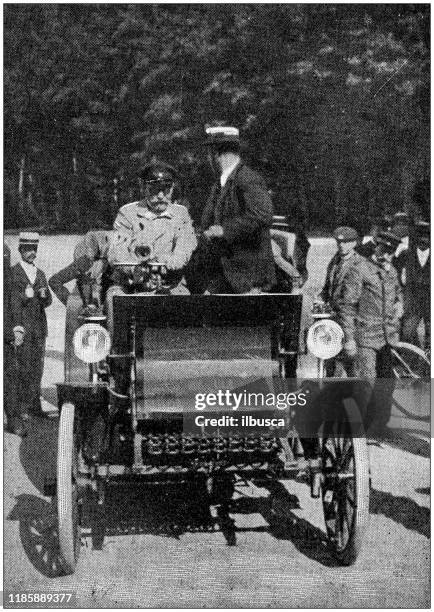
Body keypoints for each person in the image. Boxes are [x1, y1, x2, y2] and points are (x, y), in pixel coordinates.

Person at [186, 126, 275, 294]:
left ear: (217, 154)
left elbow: (263, 216)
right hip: (226, 273)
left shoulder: (247, 179)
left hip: (247, 276)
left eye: (210, 153)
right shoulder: (221, 183)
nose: (209, 159)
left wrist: (224, 230)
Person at [106, 162, 197, 326]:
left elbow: (186, 242)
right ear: (144, 188)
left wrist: (175, 260)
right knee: (115, 300)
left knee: (184, 302)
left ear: (173, 188)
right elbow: (117, 249)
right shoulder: (128, 213)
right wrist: (134, 269)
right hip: (131, 285)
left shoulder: (180, 213)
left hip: (170, 283)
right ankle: (118, 349)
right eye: (155, 190)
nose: (161, 196)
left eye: (166, 190)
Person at [339, 230, 403, 435]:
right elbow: (347, 307)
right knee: (365, 381)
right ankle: (359, 432)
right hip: (365, 335)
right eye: (383, 249)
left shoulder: (391, 271)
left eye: (390, 251)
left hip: (387, 337)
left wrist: (400, 304)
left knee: (386, 383)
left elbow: (398, 294)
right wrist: (349, 338)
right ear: (376, 246)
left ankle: (380, 426)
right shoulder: (359, 270)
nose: (386, 254)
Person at [10, 233, 52, 419]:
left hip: (39, 328)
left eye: (34, 249)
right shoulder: (13, 272)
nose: (31, 253)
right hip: (24, 327)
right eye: (28, 249)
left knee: (38, 367)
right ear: (20, 250)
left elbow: (48, 301)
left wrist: (44, 296)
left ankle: (35, 405)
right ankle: (22, 407)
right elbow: (10, 302)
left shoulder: (40, 273)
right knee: (23, 367)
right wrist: (17, 326)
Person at [320, 226, 363, 376]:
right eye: (338, 242)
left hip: (351, 320)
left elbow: (351, 301)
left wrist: (350, 336)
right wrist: (320, 298)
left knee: (351, 363)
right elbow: (327, 288)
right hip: (335, 319)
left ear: (354, 244)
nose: (341, 245)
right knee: (330, 363)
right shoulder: (335, 261)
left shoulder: (358, 264)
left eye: (346, 243)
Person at [49, 230, 112, 309]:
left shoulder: (111, 262)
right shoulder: (83, 262)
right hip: (86, 312)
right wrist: (71, 304)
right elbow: (54, 281)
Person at [4, 244, 27, 436]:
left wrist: (17, 326)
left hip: (4, 331)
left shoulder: (4, 250)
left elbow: (12, 298)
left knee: (10, 377)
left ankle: (13, 420)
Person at [401, 220, 430, 349]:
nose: (424, 239)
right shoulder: (405, 255)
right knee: (407, 332)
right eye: (420, 235)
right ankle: (413, 362)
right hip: (412, 302)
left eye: (427, 235)